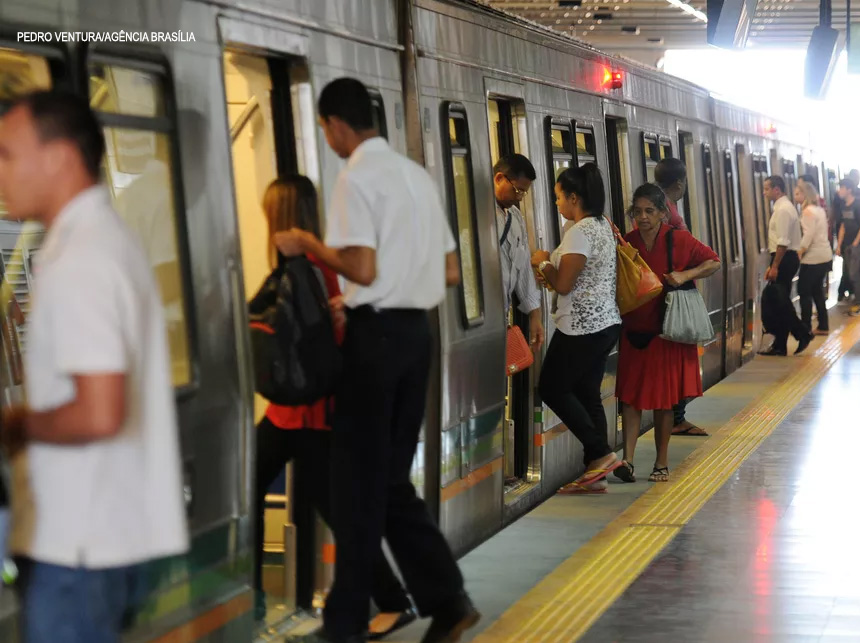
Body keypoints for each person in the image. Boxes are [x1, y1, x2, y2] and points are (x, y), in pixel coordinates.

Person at [273, 78, 477, 643]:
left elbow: (360, 267)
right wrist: (374, 293)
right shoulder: (415, 176)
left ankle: (346, 624)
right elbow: (451, 272)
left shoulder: (355, 177)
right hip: (416, 336)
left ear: (337, 124)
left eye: (325, 129)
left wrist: (307, 244)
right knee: (385, 480)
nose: (329, 139)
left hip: (376, 344)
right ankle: (446, 599)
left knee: (357, 482)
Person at [0, 91, 188, 641]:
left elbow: (100, 412)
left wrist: (15, 425)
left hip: (79, 545)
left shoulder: (82, 257)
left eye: (7, 154)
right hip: (98, 535)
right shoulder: (98, 240)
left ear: (58, 157)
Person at [250, 177, 415, 639]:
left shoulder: (309, 267)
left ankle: (391, 600)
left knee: (333, 509)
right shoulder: (307, 266)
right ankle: (254, 596)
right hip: (298, 413)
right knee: (314, 503)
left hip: (312, 414)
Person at [614, 184, 720, 484]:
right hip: (635, 330)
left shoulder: (679, 240)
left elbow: (713, 261)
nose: (643, 217)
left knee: (663, 401)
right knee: (630, 398)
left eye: (650, 211)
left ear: (663, 213)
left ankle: (661, 462)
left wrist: (685, 275)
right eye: (638, 211)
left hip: (667, 331)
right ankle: (628, 460)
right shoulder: (627, 243)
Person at [530, 164, 622, 495]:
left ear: (574, 197)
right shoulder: (601, 226)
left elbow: (564, 284)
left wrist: (541, 261)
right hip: (605, 323)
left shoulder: (580, 232)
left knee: (552, 387)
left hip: (581, 326)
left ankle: (601, 453)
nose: (556, 204)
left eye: (558, 198)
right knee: (586, 393)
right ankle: (595, 470)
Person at [654, 157, 708, 438]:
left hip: (676, 291)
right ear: (679, 183)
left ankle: (678, 415)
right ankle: (676, 417)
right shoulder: (667, 210)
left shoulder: (664, 205)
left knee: (679, 356)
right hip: (673, 293)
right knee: (678, 356)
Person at [494, 154, 544, 350]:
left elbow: (522, 267)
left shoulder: (514, 217)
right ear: (499, 178)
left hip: (502, 315)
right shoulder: (476, 212)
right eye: (517, 190)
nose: (519, 197)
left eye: (523, 193)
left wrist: (535, 313)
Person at [758, 176, 813, 356]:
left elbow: (782, 242)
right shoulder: (784, 207)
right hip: (785, 257)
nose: (764, 193)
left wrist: (774, 266)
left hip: (784, 257)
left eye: (767, 189)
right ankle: (781, 345)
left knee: (777, 300)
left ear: (777, 190)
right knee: (779, 300)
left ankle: (802, 333)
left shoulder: (783, 210)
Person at [794, 180, 833, 335]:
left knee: (804, 291)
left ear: (805, 195)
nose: (795, 196)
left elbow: (808, 234)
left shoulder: (808, 211)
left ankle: (805, 327)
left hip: (813, 258)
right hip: (824, 255)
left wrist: (800, 250)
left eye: (797, 193)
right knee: (817, 291)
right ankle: (823, 325)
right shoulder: (819, 210)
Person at [834, 178, 860, 314]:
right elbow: (843, 226)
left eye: (842, 188)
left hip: (856, 246)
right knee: (850, 273)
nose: (839, 190)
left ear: (849, 189)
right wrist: (839, 245)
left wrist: (855, 244)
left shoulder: (857, 204)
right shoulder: (843, 206)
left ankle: (858, 301)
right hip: (847, 246)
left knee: (854, 273)